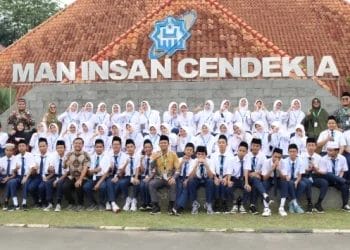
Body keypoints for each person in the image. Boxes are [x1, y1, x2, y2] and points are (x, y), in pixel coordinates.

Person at [148, 135, 180, 215]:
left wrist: (174, 178)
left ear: (168, 144)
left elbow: (178, 169)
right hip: (160, 178)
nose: (163, 144)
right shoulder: (155, 154)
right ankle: (156, 207)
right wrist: (154, 159)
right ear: (159, 144)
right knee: (151, 184)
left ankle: (171, 206)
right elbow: (151, 168)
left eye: (165, 143)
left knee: (173, 183)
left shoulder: (173, 154)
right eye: (161, 143)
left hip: (170, 177)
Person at [318, 142, 350, 212]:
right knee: (329, 174)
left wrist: (339, 178)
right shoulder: (323, 159)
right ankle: (345, 181)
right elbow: (323, 173)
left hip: (338, 179)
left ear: (337, 151)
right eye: (328, 150)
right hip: (327, 179)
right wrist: (339, 179)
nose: (328, 152)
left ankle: (345, 205)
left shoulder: (342, 158)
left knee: (344, 186)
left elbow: (343, 170)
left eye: (330, 150)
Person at [300, 138, 329, 213]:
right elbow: (298, 169)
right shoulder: (300, 156)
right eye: (309, 145)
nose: (311, 147)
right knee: (308, 182)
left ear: (315, 147)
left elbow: (323, 171)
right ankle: (309, 203)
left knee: (324, 183)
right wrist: (306, 170)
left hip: (314, 176)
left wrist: (316, 170)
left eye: (313, 145)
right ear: (306, 146)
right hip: (304, 176)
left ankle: (318, 203)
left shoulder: (319, 157)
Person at [62, 137, 91, 211]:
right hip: (72, 176)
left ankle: (80, 204)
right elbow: (64, 167)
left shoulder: (86, 155)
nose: (77, 145)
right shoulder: (69, 154)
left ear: (82, 145)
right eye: (76, 143)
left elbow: (85, 168)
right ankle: (72, 203)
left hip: (83, 176)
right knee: (65, 186)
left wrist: (80, 179)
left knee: (78, 185)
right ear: (73, 144)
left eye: (79, 143)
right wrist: (66, 163)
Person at [246, 138, 272, 216]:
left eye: (257, 146)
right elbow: (246, 169)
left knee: (255, 182)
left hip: (257, 176)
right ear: (251, 146)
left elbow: (263, 170)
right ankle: (264, 194)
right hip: (247, 176)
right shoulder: (247, 155)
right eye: (253, 145)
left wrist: (256, 173)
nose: (255, 147)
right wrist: (253, 174)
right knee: (255, 179)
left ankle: (252, 205)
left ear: (260, 147)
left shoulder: (263, 156)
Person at [83, 139, 110, 211]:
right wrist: (95, 170)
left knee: (103, 187)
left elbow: (106, 172)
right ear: (94, 148)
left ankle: (101, 204)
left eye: (100, 147)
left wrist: (98, 183)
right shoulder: (91, 157)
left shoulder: (106, 157)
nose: (98, 148)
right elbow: (88, 172)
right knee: (86, 187)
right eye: (97, 147)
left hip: (102, 178)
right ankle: (93, 203)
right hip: (93, 177)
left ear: (103, 148)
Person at [188, 145, 215, 214]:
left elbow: (211, 176)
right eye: (198, 154)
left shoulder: (210, 161)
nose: (200, 156)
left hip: (206, 179)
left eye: (202, 154)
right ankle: (194, 204)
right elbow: (190, 176)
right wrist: (196, 166)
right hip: (197, 178)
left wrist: (206, 165)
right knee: (191, 182)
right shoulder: (193, 161)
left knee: (210, 181)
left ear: (206, 155)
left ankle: (208, 204)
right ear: (196, 154)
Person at [280, 144, 306, 214]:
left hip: (295, 178)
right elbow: (285, 175)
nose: (292, 153)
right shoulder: (284, 161)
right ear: (288, 152)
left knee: (303, 184)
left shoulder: (301, 161)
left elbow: (300, 175)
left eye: (294, 151)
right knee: (290, 183)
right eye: (290, 151)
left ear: (297, 152)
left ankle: (291, 204)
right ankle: (295, 204)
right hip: (287, 179)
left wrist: (297, 181)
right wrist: (287, 178)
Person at [261, 148, 288, 216]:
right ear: (272, 155)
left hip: (279, 178)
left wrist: (278, 170)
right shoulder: (266, 162)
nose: (277, 159)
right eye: (275, 156)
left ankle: (281, 208)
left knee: (285, 183)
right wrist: (272, 169)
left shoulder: (284, 162)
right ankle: (266, 208)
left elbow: (284, 177)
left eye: (279, 157)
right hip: (269, 177)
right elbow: (264, 178)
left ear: (281, 157)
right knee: (264, 184)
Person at [211, 135, 234, 213]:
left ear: (226, 144)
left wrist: (226, 178)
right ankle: (217, 203)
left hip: (225, 176)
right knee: (217, 184)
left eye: (223, 142)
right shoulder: (213, 155)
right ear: (217, 144)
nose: (221, 144)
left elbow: (230, 169)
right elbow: (212, 168)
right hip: (216, 175)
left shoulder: (231, 156)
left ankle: (224, 203)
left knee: (224, 184)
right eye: (219, 142)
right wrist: (215, 178)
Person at [44, 140, 67, 212]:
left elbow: (67, 172)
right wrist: (49, 170)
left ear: (64, 148)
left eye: (61, 148)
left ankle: (58, 204)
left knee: (59, 183)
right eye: (58, 148)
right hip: (56, 175)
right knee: (48, 183)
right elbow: (52, 171)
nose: (59, 149)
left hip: (64, 176)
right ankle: (50, 203)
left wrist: (58, 180)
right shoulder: (53, 156)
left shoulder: (67, 157)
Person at [229, 141, 251, 214]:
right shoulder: (232, 159)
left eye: (243, 151)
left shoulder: (247, 159)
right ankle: (235, 204)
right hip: (234, 179)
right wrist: (229, 181)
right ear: (237, 150)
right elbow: (229, 171)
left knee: (248, 189)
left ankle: (241, 204)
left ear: (246, 152)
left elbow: (246, 171)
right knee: (228, 189)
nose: (241, 152)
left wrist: (247, 183)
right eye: (240, 150)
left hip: (243, 179)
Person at [173, 142, 195, 214]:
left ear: (193, 152)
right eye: (187, 149)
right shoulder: (179, 159)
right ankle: (179, 208)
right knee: (179, 188)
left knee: (185, 189)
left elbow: (193, 173)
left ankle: (177, 207)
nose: (188, 151)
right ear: (184, 150)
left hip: (188, 177)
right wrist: (182, 162)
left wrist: (187, 180)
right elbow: (177, 170)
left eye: (190, 150)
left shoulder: (194, 161)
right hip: (180, 177)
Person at [136, 139, 154, 211]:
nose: (147, 149)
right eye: (145, 147)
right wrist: (140, 161)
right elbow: (142, 171)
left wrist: (149, 178)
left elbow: (154, 171)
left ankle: (149, 203)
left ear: (152, 148)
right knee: (141, 185)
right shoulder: (143, 158)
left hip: (152, 176)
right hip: (144, 176)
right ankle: (144, 203)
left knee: (147, 185)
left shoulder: (154, 157)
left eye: (149, 147)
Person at [0, 143, 17, 210]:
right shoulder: (1, 159)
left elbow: (15, 174)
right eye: (7, 150)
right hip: (2, 176)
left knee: (9, 182)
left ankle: (6, 202)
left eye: (10, 150)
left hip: (12, 177)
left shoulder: (16, 159)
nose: (8, 152)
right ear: (5, 151)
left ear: (13, 151)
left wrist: (8, 178)